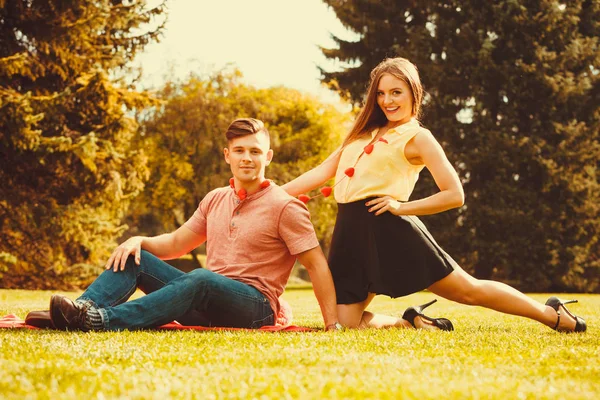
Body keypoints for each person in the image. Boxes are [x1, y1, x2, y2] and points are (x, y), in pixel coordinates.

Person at [282, 57, 586, 333]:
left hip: (390, 229)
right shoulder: (362, 133)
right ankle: (410, 322)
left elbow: (455, 194)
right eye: (380, 93)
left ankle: (551, 314)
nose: (387, 100)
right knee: (344, 323)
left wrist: (401, 207)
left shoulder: (418, 137)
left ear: (414, 93)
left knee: (469, 290)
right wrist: (269, 194)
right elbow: (321, 172)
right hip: (350, 233)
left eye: (396, 92)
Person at [49, 118, 342, 332]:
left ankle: (103, 320)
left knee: (202, 278)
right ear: (228, 156)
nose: (247, 158)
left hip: (254, 309)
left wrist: (332, 325)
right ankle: (80, 310)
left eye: (255, 151)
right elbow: (176, 244)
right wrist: (137, 239)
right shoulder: (215, 198)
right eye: (239, 150)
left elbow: (316, 265)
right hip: (204, 304)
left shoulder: (285, 206)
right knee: (135, 259)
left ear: (268, 156)